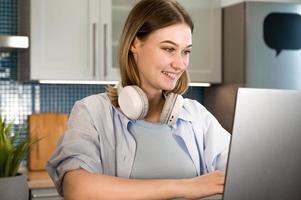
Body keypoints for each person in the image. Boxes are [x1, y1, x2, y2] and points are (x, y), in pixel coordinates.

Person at [46, 0, 230, 199]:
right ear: (135, 44)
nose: (180, 64)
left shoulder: (197, 116)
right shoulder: (91, 112)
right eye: (168, 49)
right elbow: (76, 189)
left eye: (186, 52)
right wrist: (185, 187)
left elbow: (244, 170)